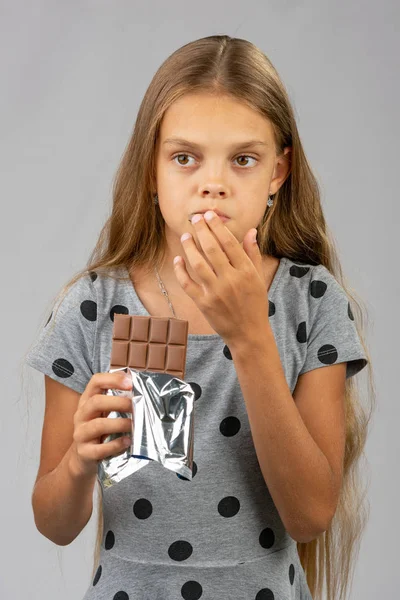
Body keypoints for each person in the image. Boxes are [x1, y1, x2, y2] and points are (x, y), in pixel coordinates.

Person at [24, 35, 375, 600]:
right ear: (151, 170)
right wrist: (78, 463)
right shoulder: (92, 306)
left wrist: (249, 335)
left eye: (243, 159)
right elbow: (53, 523)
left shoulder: (313, 302)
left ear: (277, 174)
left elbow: (311, 516)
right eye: (184, 157)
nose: (212, 183)